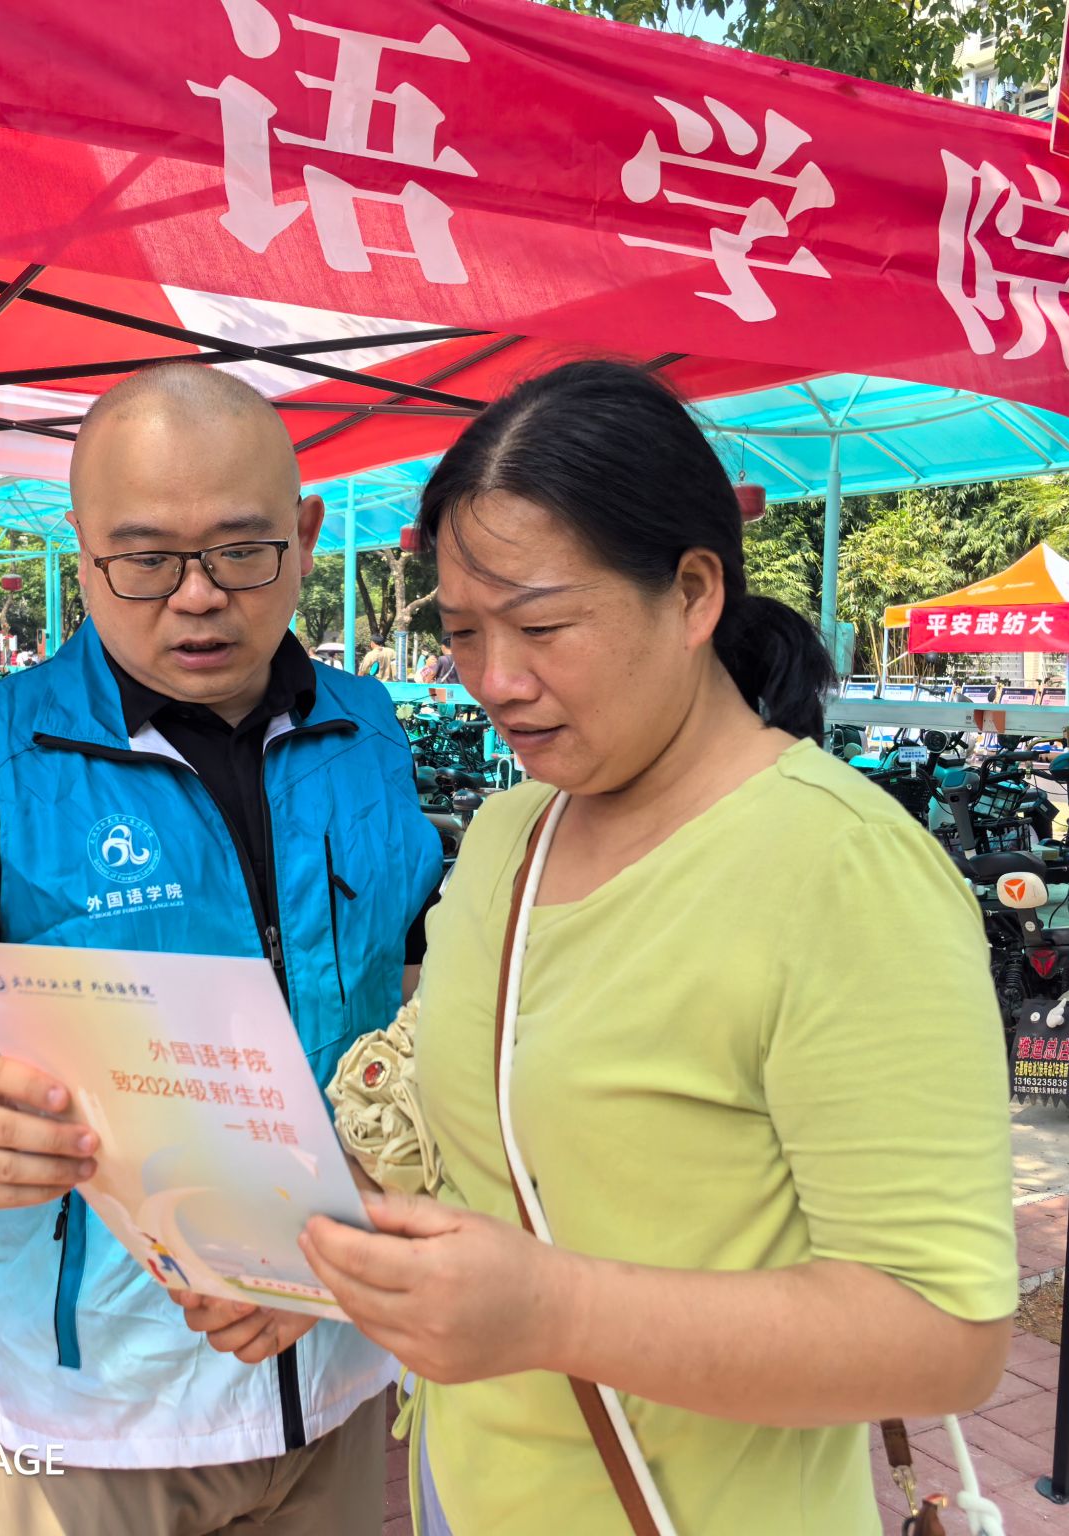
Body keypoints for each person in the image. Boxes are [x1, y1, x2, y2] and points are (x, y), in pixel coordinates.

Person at [281, 361, 1015, 1535]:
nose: (494, 681)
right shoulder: (511, 834)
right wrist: (312, 1263)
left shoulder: (842, 872)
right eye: (461, 634)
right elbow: (475, 1151)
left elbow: (944, 1338)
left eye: (541, 626)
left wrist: (552, 1313)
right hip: (464, 1496)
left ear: (690, 593)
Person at [0, 363, 444, 1536]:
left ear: (305, 533)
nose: (197, 598)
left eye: (240, 550)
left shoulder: (367, 733)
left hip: (343, 1354)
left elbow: (422, 989)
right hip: (104, 1403)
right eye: (145, 559)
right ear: (83, 554)